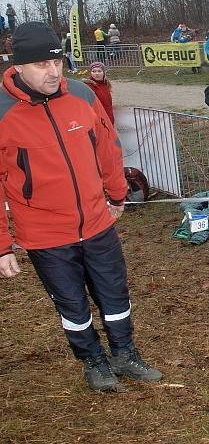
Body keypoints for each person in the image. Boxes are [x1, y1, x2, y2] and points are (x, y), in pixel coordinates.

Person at [0, 21, 162, 391]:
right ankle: (93, 361)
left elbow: (108, 148)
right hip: (44, 234)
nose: (52, 71)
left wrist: (118, 194)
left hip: (96, 221)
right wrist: (2, 245)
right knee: (73, 305)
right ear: (18, 65)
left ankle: (124, 353)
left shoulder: (81, 95)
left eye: (57, 62)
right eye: (41, 65)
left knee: (115, 294)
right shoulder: (2, 111)